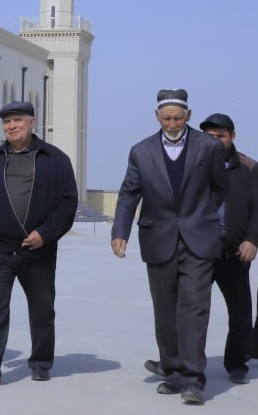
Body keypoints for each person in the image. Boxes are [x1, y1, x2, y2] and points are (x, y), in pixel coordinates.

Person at [111, 89, 230, 404]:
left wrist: (201, 215)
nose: (173, 123)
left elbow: (221, 188)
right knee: (165, 310)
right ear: (157, 117)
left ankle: (194, 379)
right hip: (157, 238)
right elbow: (128, 193)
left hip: (198, 241)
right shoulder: (141, 151)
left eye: (178, 117)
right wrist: (119, 230)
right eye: (167, 118)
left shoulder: (209, 148)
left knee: (194, 308)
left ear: (188, 116)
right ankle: (174, 373)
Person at [0, 100, 77, 386]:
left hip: (37, 248)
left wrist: (46, 233)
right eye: (7, 122)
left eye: (18, 120)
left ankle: (41, 362)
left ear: (32, 122)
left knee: (42, 308)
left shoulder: (55, 159)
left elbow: (67, 204)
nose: (12, 126)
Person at [198, 113, 257, 385]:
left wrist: (252, 240)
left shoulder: (248, 167)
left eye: (220, 136)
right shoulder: (193, 164)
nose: (214, 141)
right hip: (198, 251)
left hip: (234, 251)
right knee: (191, 312)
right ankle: (180, 364)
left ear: (232, 136)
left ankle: (236, 363)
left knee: (241, 313)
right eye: (209, 136)